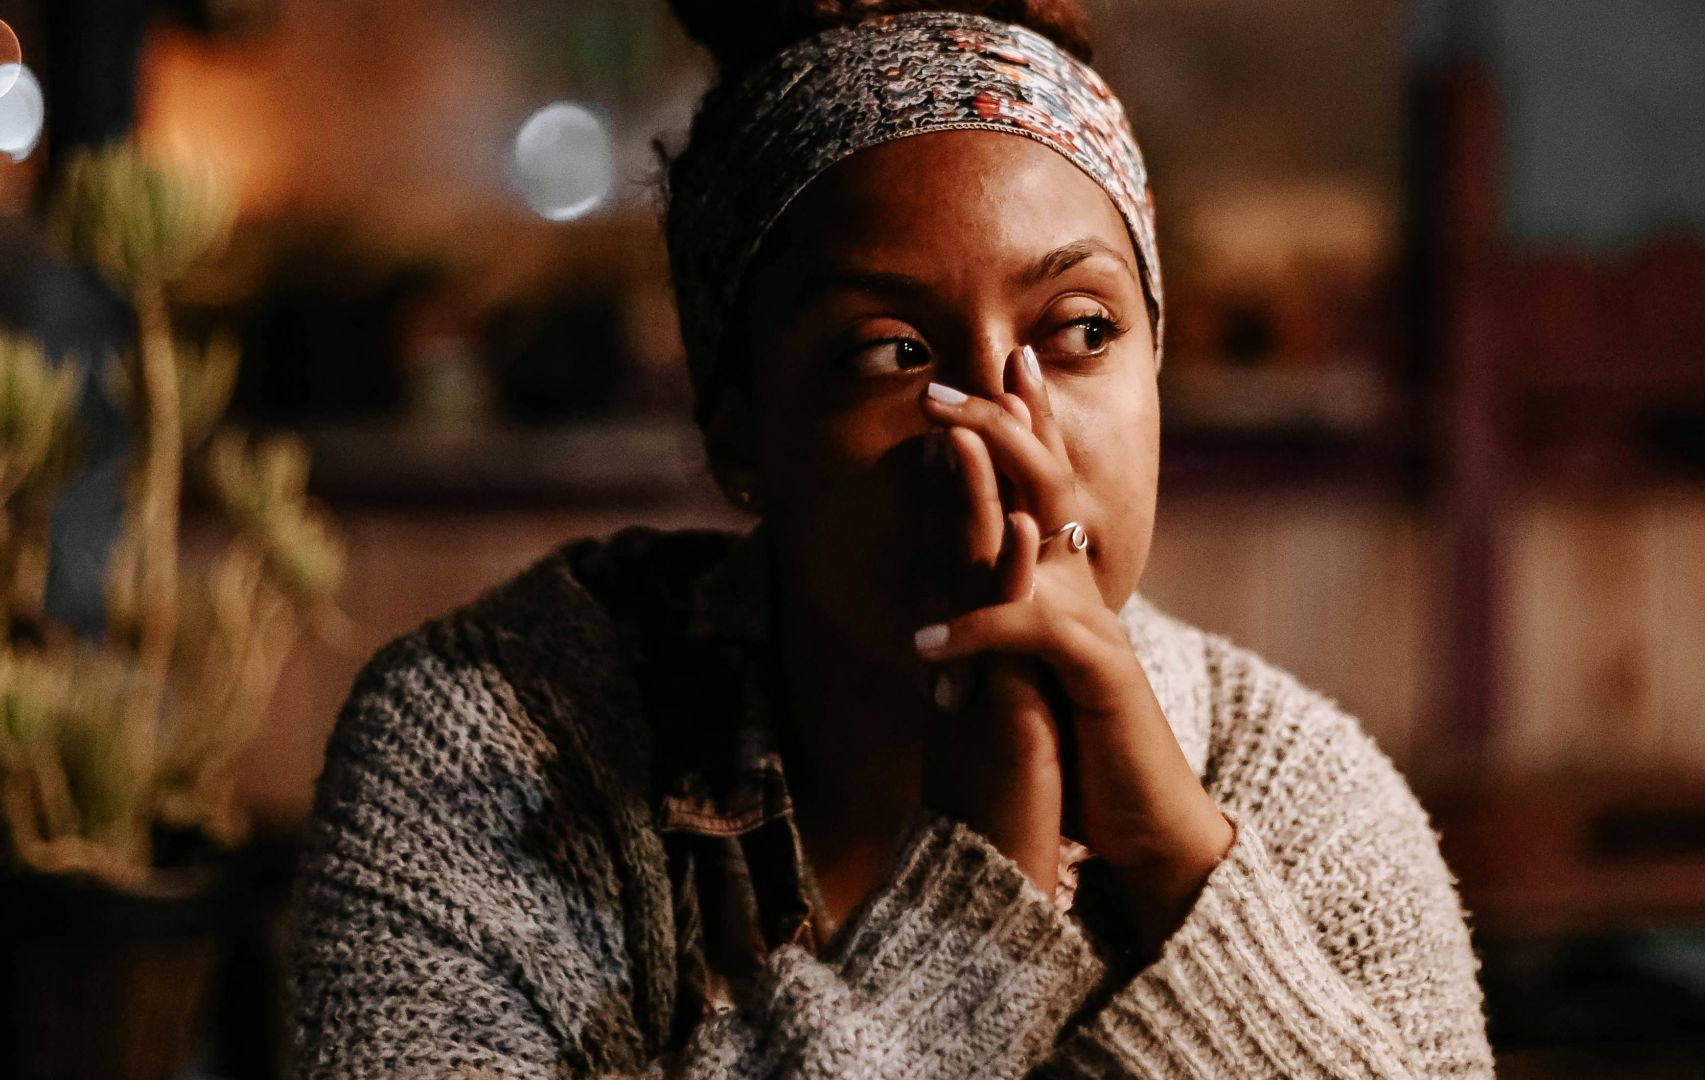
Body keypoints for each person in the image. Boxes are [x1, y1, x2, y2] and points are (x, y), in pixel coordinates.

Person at [287, 2, 1495, 1076]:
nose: (1001, 431)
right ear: (740, 424)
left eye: (1080, 331)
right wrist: (979, 902)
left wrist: (1179, 862)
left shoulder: (1290, 791)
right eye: (890, 354)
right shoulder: (490, 751)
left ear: (1158, 362)